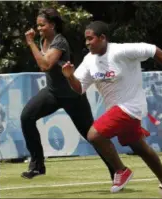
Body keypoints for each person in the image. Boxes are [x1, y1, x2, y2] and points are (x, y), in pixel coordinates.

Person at [61, 21, 162, 198]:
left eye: (90, 38)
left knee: (94, 135)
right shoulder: (89, 61)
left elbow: (153, 50)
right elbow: (79, 88)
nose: (87, 43)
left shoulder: (121, 51)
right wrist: (69, 77)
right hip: (117, 109)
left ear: (103, 38)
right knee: (141, 148)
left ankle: (121, 170)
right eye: (86, 40)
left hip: (131, 106)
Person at [21, 9, 115, 180]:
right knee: (26, 117)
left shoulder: (59, 42)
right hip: (52, 93)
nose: (39, 28)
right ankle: (37, 166)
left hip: (72, 95)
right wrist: (35, 42)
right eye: (38, 25)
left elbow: (45, 65)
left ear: (53, 25)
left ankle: (117, 170)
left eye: (42, 25)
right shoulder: (43, 39)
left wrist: (30, 43)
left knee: (92, 135)